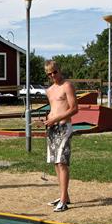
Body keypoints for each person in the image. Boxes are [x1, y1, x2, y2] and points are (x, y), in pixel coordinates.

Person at [43, 60, 78, 212]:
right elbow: (54, 109)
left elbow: (74, 108)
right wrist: (47, 120)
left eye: (54, 72)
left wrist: (56, 119)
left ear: (59, 70)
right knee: (56, 163)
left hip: (64, 127)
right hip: (52, 128)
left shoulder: (67, 86)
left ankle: (63, 201)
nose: (52, 76)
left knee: (62, 162)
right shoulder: (49, 90)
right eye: (49, 74)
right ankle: (64, 195)